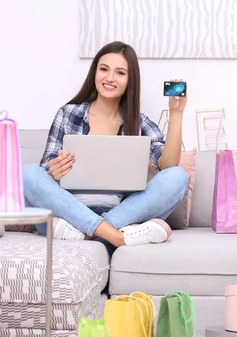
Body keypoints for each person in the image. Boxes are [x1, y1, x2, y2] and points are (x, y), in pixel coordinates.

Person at [22, 41, 189, 247]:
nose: (109, 78)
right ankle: (116, 236)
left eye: (120, 73)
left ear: (130, 80)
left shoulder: (139, 123)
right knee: (28, 174)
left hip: (120, 212)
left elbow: (168, 164)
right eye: (104, 69)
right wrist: (53, 173)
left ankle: (90, 232)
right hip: (69, 211)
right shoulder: (68, 114)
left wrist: (176, 113)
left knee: (178, 176)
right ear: (95, 73)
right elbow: (43, 177)